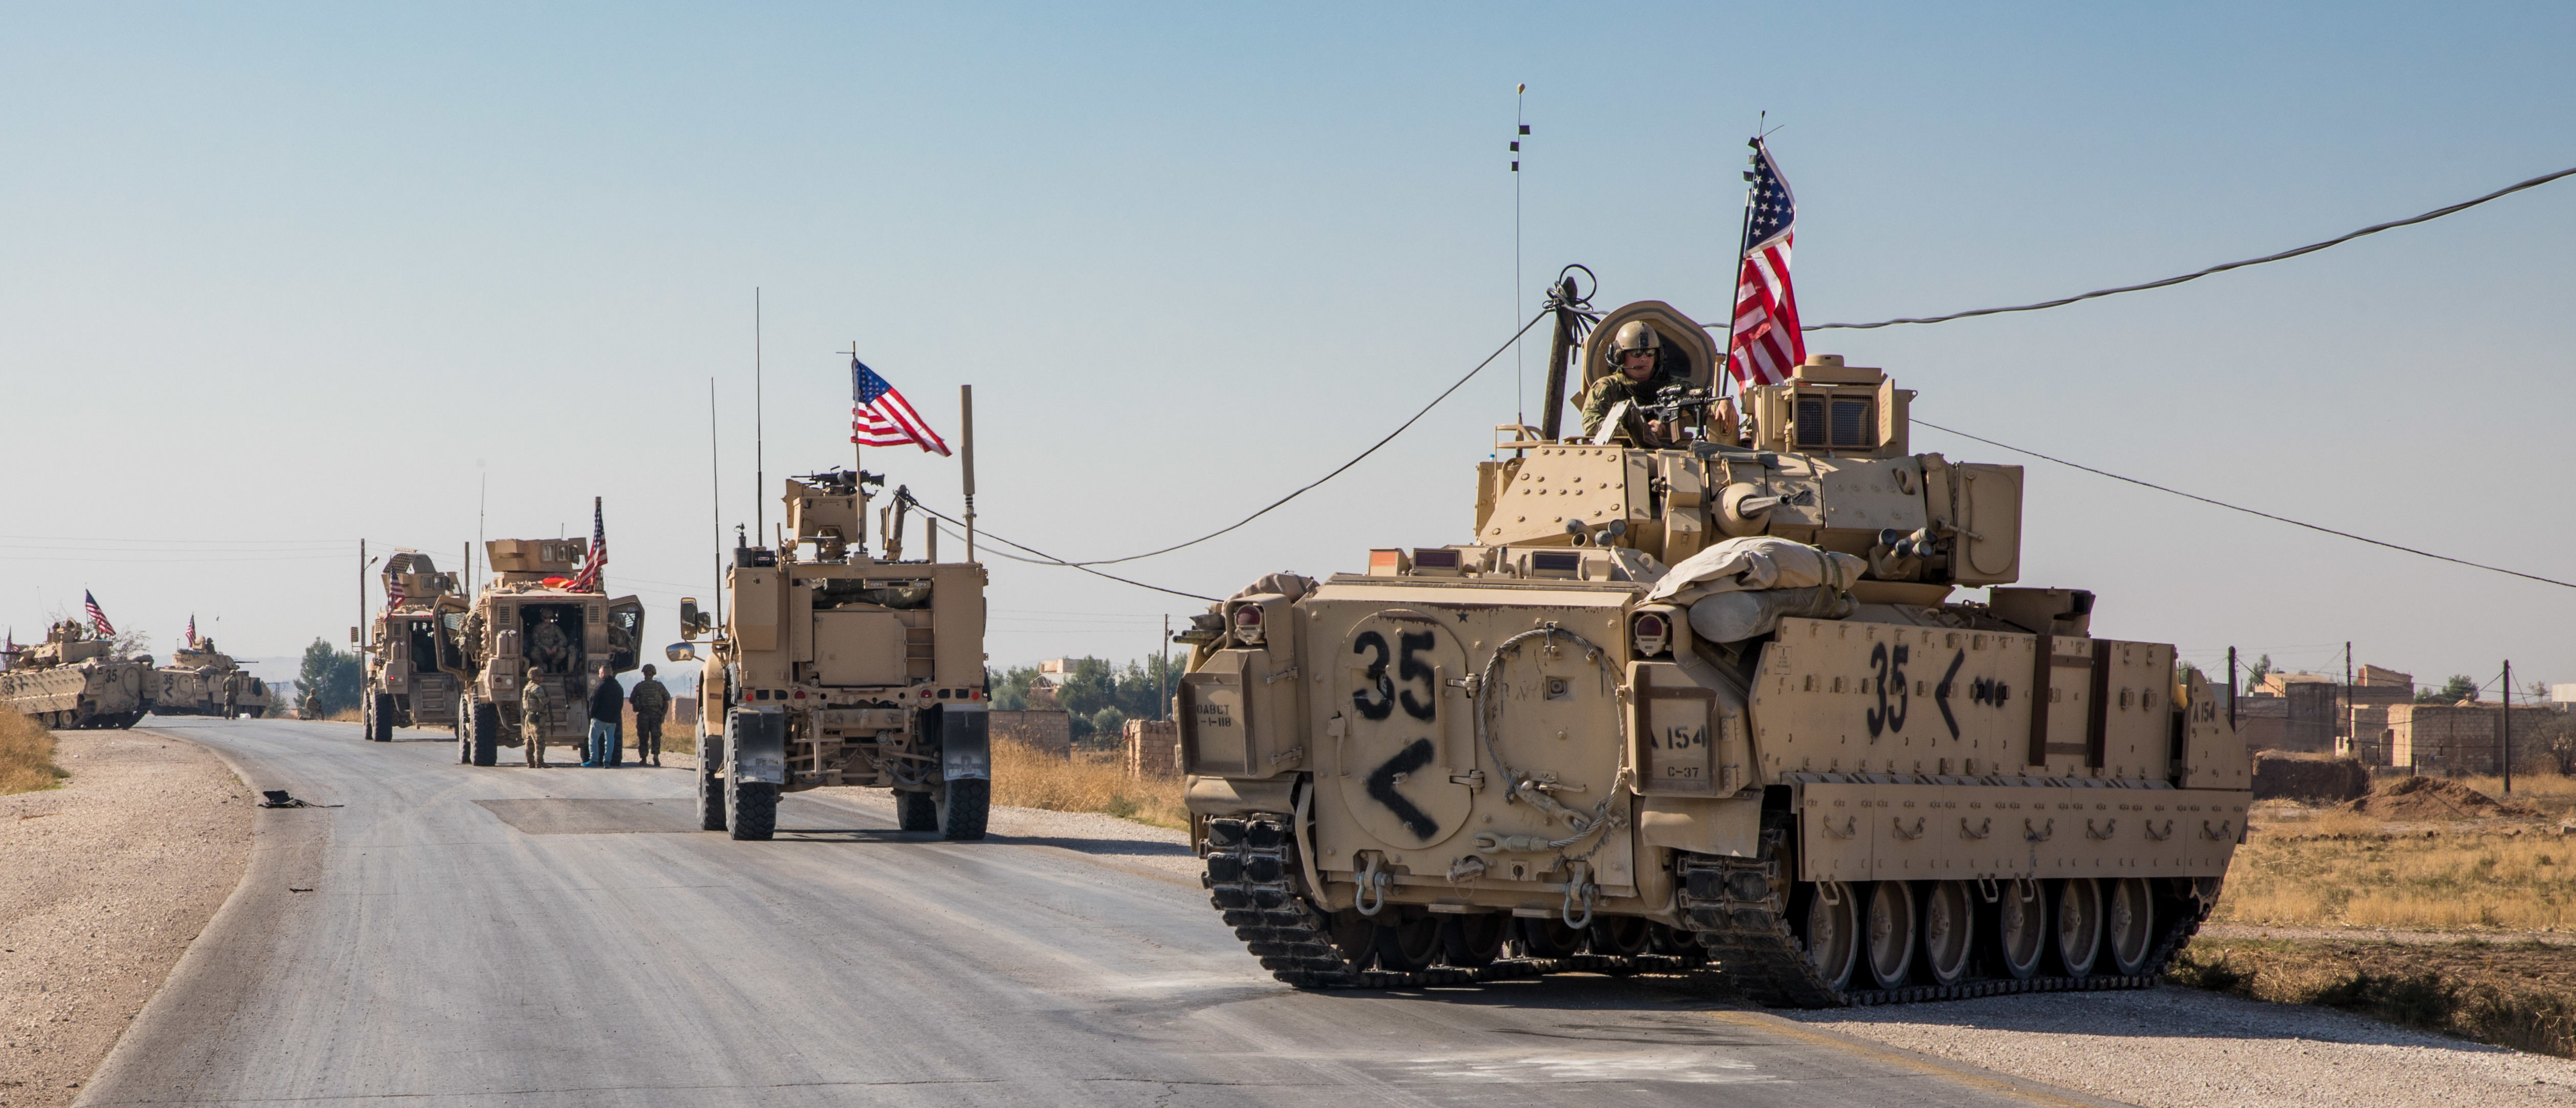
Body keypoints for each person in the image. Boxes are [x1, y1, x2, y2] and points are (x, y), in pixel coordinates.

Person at [1578, 320, 1686, 445]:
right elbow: (1591, 423)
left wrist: (1714, 406)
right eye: (1636, 353)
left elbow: (1697, 395)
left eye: (1650, 353)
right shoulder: (1608, 387)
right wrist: (1639, 430)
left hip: (1669, 453)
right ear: (1621, 357)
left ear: (1658, 356)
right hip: (1620, 454)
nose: (1644, 359)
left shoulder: (1671, 386)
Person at [628, 663, 670, 768]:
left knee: (643, 737)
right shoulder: (659, 686)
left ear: (644, 674)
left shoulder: (640, 686)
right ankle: (656, 756)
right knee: (656, 736)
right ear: (654, 673)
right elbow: (667, 698)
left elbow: (631, 699)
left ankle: (644, 758)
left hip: (644, 715)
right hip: (656, 716)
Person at [585, 664, 623, 768]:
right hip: (612, 720)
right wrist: (616, 717)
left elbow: (594, 701)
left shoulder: (601, 686)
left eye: (599, 673)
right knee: (610, 741)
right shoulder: (618, 687)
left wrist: (592, 715)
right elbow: (620, 704)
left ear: (602, 673)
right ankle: (607, 762)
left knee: (593, 739)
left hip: (600, 719)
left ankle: (594, 761)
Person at [519, 673, 553, 768]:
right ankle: (539, 761)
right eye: (540, 676)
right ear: (535, 677)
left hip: (529, 716)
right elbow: (544, 701)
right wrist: (549, 697)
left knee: (529, 740)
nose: (542, 678)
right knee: (540, 740)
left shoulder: (527, 688)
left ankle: (530, 762)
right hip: (537, 717)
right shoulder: (537, 688)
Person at [529, 610, 571, 677]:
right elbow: (535, 641)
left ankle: (553, 665)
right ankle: (541, 666)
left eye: (550, 618)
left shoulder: (555, 628)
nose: (548, 620)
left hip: (553, 652)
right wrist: (545, 648)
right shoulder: (538, 628)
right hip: (542, 651)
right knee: (534, 652)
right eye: (546, 618)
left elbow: (564, 640)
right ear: (542, 618)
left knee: (563, 651)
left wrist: (556, 646)